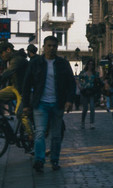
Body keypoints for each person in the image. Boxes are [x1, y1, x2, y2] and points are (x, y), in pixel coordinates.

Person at [22, 35, 75, 173]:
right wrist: (26, 104)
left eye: (54, 46)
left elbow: (71, 83)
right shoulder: (35, 63)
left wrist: (69, 100)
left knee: (56, 135)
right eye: (49, 46)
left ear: (57, 47)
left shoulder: (63, 63)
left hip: (57, 103)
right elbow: (26, 84)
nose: (51, 48)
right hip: (41, 103)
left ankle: (54, 160)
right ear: (44, 47)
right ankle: (39, 160)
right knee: (40, 133)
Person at [76, 58, 100, 127]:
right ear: (87, 65)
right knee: (85, 108)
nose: (90, 66)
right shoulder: (83, 73)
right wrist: (80, 86)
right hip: (84, 91)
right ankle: (83, 121)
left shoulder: (95, 73)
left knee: (92, 107)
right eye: (89, 64)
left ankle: (92, 123)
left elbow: (98, 81)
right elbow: (78, 79)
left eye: (92, 64)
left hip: (92, 91)